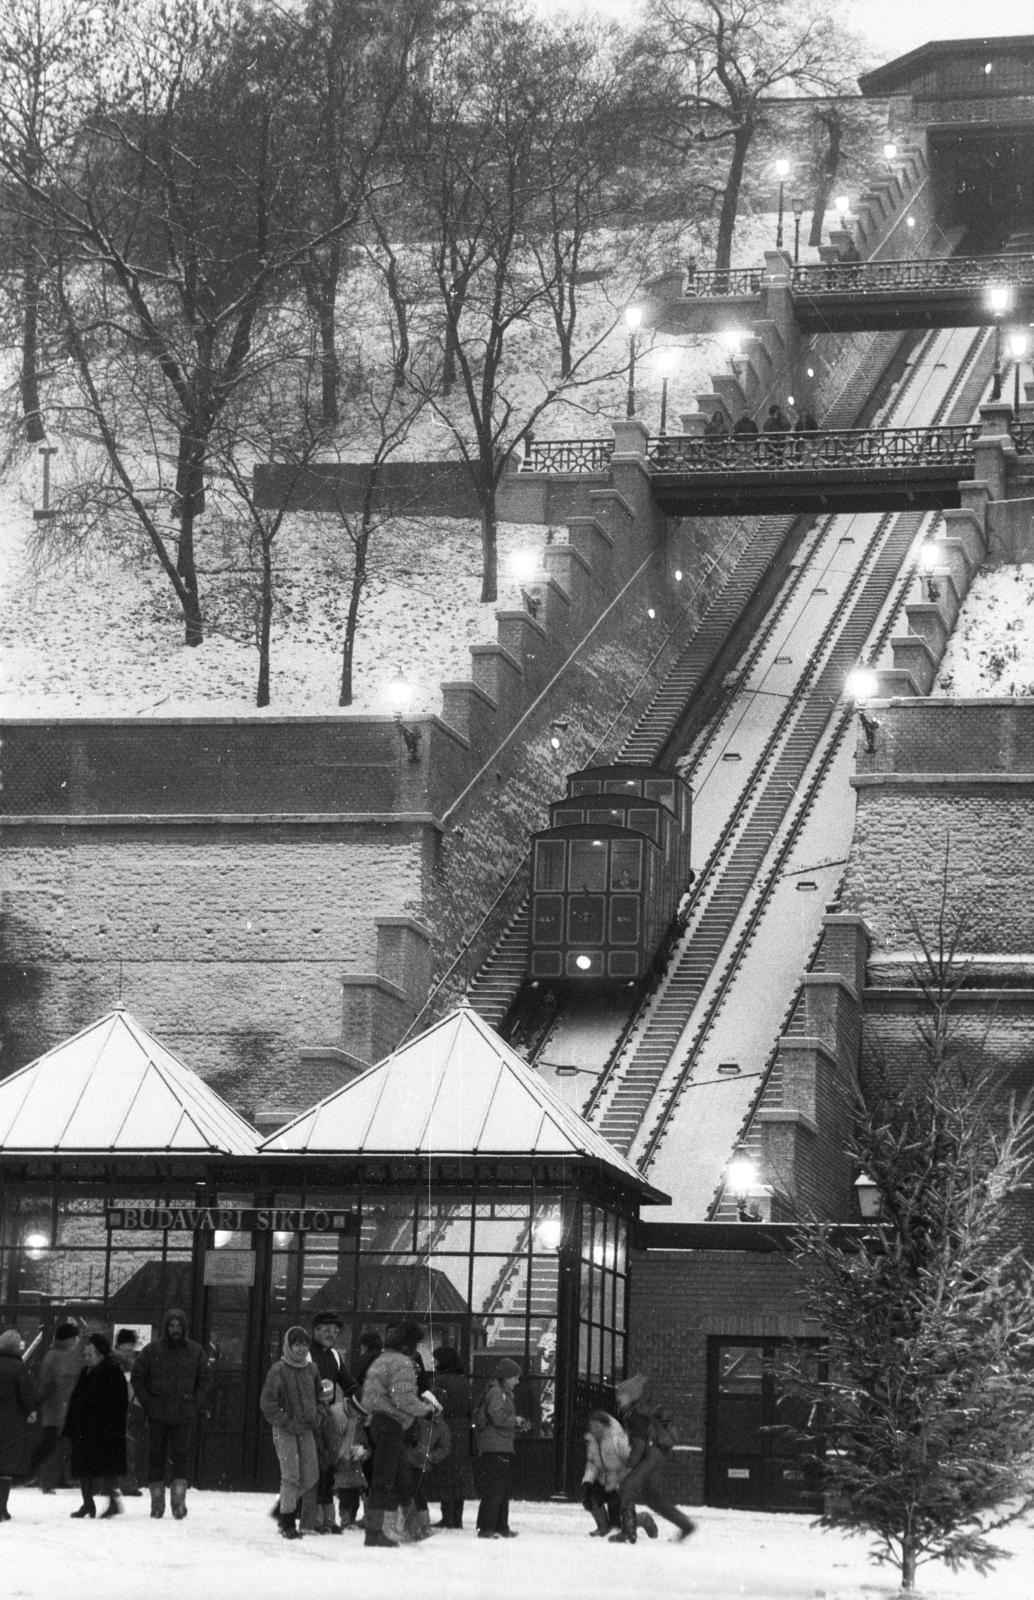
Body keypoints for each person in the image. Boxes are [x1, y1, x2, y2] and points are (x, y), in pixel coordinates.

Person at [359, 1319, 436, 1549]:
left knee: (401, 1477)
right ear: (408, 1345)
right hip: (389, 1423)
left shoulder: (382, 1360)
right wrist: (426, 1410)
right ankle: (375, 1533)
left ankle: (414, 1528)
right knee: (385, 1480)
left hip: (377, 1421)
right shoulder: (401, 1363)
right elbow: (402, 1397)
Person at [131, 1308, 210, 1521]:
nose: (175, 1330)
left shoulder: (195, 1352)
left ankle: (179, 1503)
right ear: (165, 1327)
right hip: (158, 1415)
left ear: (184, 1328)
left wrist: (193, 1402)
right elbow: (137, 1377)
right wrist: (149, 1403)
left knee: (181, 1459)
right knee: (155, 1458)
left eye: (178, 1326)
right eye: (171, 1325)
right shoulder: (151, 1351)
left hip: (183, 1415)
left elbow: (205, 1379)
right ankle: (157, 1504)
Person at [611, 1373, 695, 1544]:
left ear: (630, 1397)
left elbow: (639, 1447)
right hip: (654, 1457)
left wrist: (628, 1468)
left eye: (621, 1395)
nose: (618, 1399)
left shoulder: (637, 1417)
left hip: (650, 1457)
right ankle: (686, 1525)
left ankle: (628, 1532)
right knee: (651, 1497)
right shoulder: (636, 1414)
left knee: (626, 1489)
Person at [260, 1327, 321, 1542]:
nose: (301, 1349)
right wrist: (286, 1422)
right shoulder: (278, 1369)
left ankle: (283, 1507)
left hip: (306, 1429)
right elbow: (267, 1403)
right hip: (285, 1430)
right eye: (297, 1345)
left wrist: (318, 1416)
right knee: (291, 1476)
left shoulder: (312, 1369)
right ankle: (287, 1522)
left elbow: (320, 1396)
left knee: (311, 1475)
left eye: (305, 1345)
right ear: (289, 1345)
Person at [63, 1333, 128, 1519]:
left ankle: (114, 1502)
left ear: (101, 1354)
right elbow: (76, 1400)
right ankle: (87, 1504)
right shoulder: (87, 1372)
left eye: (91, 1354)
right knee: (84, 1467)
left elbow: (118, 1403)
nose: (87, 1357)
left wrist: (108, 1425)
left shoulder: (112, 1372)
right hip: (85, 1429)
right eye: (86, 1354)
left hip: (103, 1430)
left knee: (105, 1467)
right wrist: (72, 1424)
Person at [310, 1311, 359, 1533]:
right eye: (328, 1329)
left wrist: (364, 1400)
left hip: (327, 1418)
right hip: (309, 1419)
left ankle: (328, 1519)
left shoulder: (335, 1356)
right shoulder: (306, 1354)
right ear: (316, 1330)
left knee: (328, 1470)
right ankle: (312, 1518)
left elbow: (349, 1384)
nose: (332, 1334)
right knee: (312, 1470)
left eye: (336, 1331)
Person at [581, 1409, 657, 1539]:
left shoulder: (617, 1438)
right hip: (602, 1480)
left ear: (604, 1425)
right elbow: (592, 1463)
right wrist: (587, 1480)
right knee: (589, 1497)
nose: (594, 1429)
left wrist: (621, 1479)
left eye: (597, 1425)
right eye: (592, 1426)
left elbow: (630, 1460)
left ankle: (643, 1519)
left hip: (618, 1481)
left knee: (619, 1524)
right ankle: (603, 1526)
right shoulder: (592, 1440)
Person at [475, 1357, 528, 1540]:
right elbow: (497, 1416)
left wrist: (516, 1423)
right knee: (496, 1488)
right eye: (515, 1377)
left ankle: (498, 1526)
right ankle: (488, 1527)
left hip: (498, 1445)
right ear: (506, 1377)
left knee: (500, 1488)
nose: (517, 1381)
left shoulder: (498, 1391)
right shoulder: (498, 1393)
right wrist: (516, 1421)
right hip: (496, 1447)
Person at [425, 1345, 477, 1529]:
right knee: (458, 1476)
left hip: (445, 1429)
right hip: (462, 1431)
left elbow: (432, 1408)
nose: (434, 1361)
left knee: (445, 1475)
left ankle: (448, 1517)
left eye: (436, 1358)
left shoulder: (438, 1381)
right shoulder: (464, 1382)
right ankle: (457, 1517)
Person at [31, 1321, 82, 1492]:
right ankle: (44, 1478)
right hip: (57, 1409)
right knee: (55, 1445)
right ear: (67, 1339)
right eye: (74, 1338)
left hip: (60, 1408)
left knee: (57, 1445)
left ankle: (53, 1478)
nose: (76, 1341)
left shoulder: (60, 1355)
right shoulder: (57, 1356)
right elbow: (52, 1382)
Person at [0, 1328, 34, 1522]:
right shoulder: (18, 1367)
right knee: (5, 1467)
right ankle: (1, 1508)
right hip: (11, 1418)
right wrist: (31, 1410)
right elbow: (26, 1393)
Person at [114, 1330, 146, 1496]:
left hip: (134, 1410)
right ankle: (128, 1485)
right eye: (125, 1350)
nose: (128, 1354)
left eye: (130, 1350)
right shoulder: (114, 1365)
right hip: (121, 1409)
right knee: (127, 1449)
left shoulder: (136, 1366)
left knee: (129, 1449)